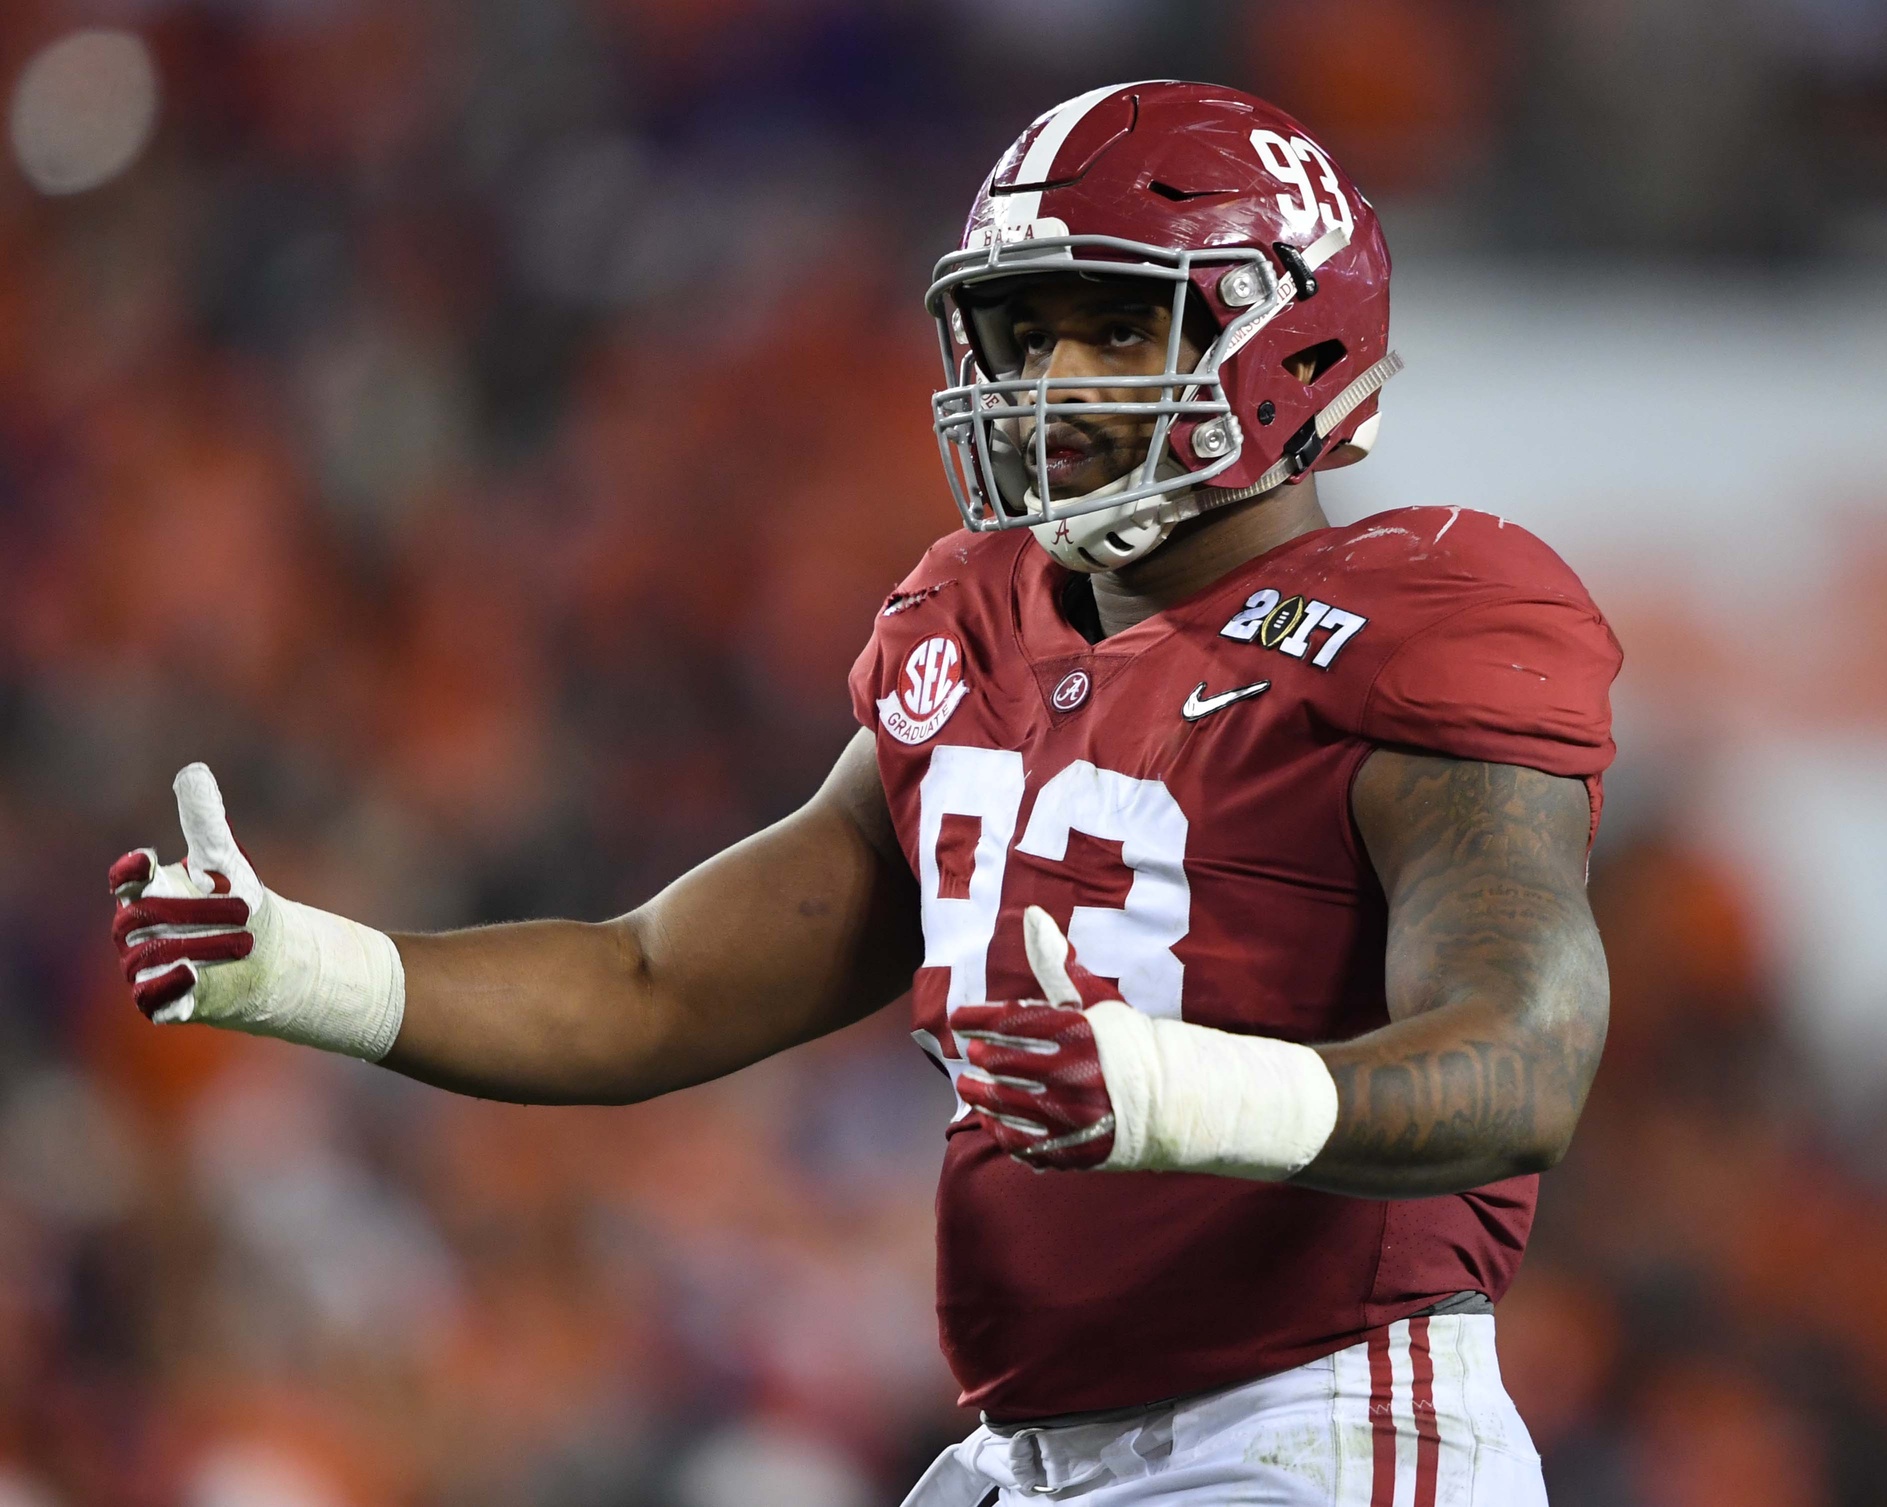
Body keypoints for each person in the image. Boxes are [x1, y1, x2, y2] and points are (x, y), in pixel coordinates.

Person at [107, 82, 1621, 1507]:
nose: (1055, 382)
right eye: (1024, 335)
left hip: (1317, 1429)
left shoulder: (1424, 611)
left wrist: (1185, 1091)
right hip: (1034, 1451)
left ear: (1292, 344)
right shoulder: (975, 623)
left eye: (1117, 326)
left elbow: (1526, 1056)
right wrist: (314, 970)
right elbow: (653, 985)